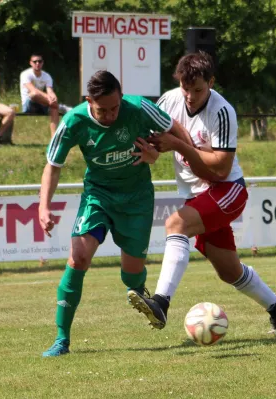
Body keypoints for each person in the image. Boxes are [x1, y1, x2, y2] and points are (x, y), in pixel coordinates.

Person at [128, 52, 276, 334]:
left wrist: (179, 146)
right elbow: (157, 145)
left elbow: (219, 169)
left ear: (211, 82)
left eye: (198, 90)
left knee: (175, 223)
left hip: (227, 190)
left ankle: (160, 303)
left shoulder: (222, 111)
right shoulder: (167, 101)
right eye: (185, 88)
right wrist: (151, 152)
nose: (190, 96)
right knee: (229, 271)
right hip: (199, 196)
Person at [39, 70, 192, 357]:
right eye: (102, 110)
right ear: (88, 101)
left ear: (122, 98)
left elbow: (175, 129)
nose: (110, 115)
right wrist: (43, 205)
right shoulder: (74, 121)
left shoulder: (139, 107)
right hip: (99, 195)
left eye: (115, 108)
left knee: (131, 275)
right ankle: (62, 339)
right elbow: (53, 165)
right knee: (79, 257)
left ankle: (141, 293)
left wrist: (180, 156)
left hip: (137, 199)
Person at [20, 53, 71, 135]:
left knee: (53, 107)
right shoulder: (25, 74)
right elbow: (33, 90)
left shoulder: (47, 76)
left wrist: (54, 98)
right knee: (34, 94)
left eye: (39, 61)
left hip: (42, 103)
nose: (37, 63)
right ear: (30, 63)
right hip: (29, 105)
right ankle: (60, 107)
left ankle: (53, 138)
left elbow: (50, 91)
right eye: (35, 61)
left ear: (42, 63)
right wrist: (49, 97)